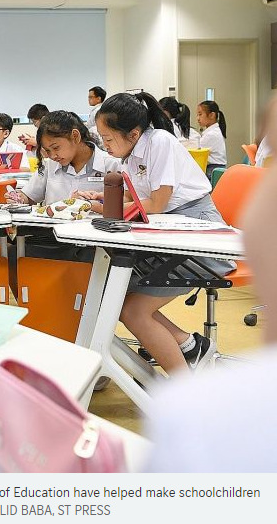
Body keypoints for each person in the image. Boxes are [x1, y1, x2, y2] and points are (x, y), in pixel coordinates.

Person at [147, 37, 277, 471]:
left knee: (127, 295)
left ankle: (183, 351)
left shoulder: (218, 427)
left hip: (204, 244)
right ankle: (186, 345)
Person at [77, 92, 234, 374]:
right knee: (114, 292)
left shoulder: (159, 141)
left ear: (133, 133)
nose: (104, 145)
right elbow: (137, 199)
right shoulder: (129, 154)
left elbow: (158, 203)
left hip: (198, 237)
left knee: (131, 309)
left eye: (108, 138)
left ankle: (184, 386)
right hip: (168, 231)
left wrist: (106, 209)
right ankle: (190, 347)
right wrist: (103, 199)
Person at [8, 111, 120, 206]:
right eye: (47, 151)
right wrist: (18, 198)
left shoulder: (112, 165)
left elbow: (122, 205)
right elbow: (29, 196)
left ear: (75, 136)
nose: (52, 156)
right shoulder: (49, 165)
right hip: (52, 224)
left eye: (56, 148)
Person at [196, 100, 227, 178]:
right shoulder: (213, 131)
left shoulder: (211, 134)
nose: (198, 118)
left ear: (212, 115)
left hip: (212, 171)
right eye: (197, 115)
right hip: (214, 169)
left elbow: (197, 151)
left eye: (200, 114)